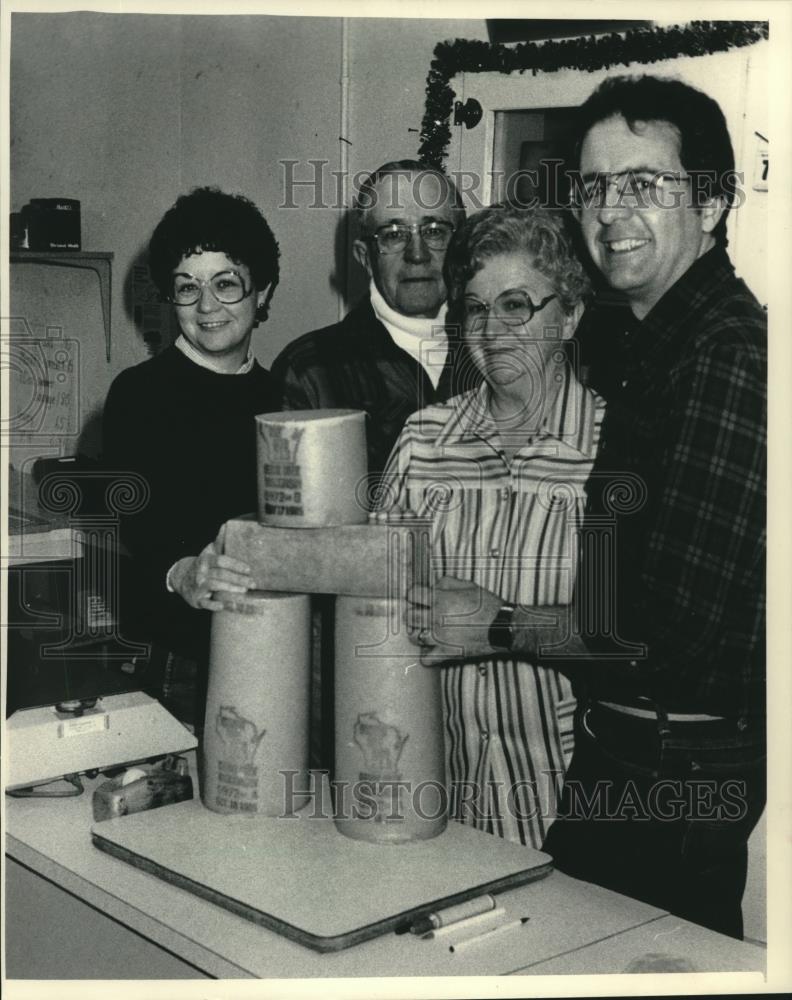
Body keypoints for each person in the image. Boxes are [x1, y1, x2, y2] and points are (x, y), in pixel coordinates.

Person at [405, 75, 766, 939]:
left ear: (712, 203)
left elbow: (668, 629)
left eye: (645, 183)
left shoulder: (727, 356)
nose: (612, 210)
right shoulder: (651, 347)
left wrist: (496, 626)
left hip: (669, 770)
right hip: (628, 757)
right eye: (596, 186)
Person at [376, 205, 604, 848]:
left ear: (571, 313)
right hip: (443, 806)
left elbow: (642, 642)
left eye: (517, 305)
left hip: (575, 811)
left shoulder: (614, 447)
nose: (493, 330)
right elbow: (377, 610)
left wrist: (501, 624)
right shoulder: (422, 441)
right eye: (476, 308)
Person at [103, 187, 281, 723]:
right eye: (187, 288)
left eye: (226, 284)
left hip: (276, 649)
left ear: (262, 292)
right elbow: (137, 530)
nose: (207, 307)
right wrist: (180, 571)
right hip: (181, 657)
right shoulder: (139, 393)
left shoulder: (286, 398)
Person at [271, 159, 470, 481]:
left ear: (460, 246)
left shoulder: (496, 351)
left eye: (435, 231)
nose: (416, 254)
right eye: (393, 234)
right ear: (365, 257)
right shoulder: (310, 368)